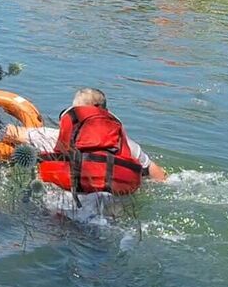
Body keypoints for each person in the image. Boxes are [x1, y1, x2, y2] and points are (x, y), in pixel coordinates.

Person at [28, 87, 168, 205]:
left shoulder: (53, 137)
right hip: (111, 204)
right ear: (106, 113)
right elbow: (157, 174)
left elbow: (13, 133)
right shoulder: (125, 145)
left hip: (69, 204)